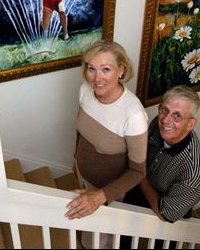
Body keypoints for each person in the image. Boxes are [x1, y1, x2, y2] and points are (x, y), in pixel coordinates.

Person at [65, 40, 148, 249]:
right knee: (85, 228)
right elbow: (80, 130)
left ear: (121, 70)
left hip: (109, 191)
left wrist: (99, 197)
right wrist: (76, 160)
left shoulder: (133, 114)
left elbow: (138, 172)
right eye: (91, 69)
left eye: (106, 69)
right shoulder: (85, 90)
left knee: (99, 241)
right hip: (83, 176)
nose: (97, 78)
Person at [120, 85, 200, 249]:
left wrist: (139, 174)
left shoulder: (195, 174)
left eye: (177, 116)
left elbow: (165, 213)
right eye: (164, 110)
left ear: (191, 124)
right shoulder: (158, 123)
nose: (166, 120)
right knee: (125, 232)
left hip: (169, 207)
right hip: (141, 186)